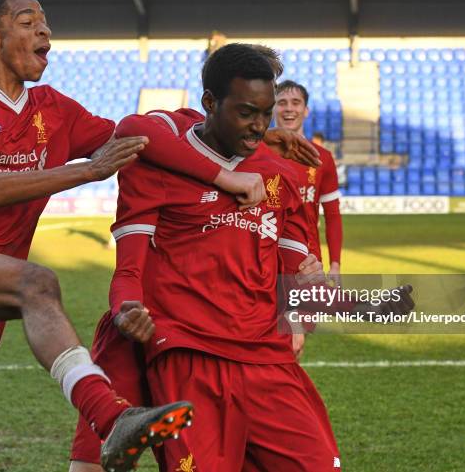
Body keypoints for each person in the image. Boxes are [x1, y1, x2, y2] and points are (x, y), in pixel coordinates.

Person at [0, 0, 286, 472]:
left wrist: (242, 133)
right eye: (28, 22)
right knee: (37, 282)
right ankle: (112, 419)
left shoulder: (55, 109)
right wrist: (87, 171)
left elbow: (139, 136)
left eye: (45, 21)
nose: (45, 30)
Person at [70, 44, 343, 472]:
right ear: (210, 103)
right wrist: (126, 309)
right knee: (91, 465)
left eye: (266, 113)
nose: (258, 126)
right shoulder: (160, 157)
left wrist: (302, 299)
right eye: (246, 112)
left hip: (262, 357)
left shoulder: (280, 177)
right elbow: (128, 269)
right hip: (185, 348)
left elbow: (295, 274)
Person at [274, 80, 343, 279]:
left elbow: (332, 215)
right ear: (272, 108)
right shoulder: (255, 155)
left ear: (306, 110)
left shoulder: (322, 157)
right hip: (265, 257)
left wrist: (335, 264)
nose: (289, 108)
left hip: (309, 262)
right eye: (282, 102)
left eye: (295, 102)